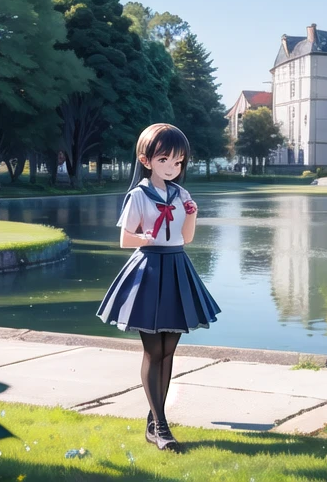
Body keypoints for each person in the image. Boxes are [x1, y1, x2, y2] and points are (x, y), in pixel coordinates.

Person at [96, 123, 221, 452]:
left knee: (169, 351)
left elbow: (187, 238)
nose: (172, 168)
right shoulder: (138, 195)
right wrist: (145, 237)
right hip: (149, 269)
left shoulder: (182, 195)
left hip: (178, 267)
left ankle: (154, 421)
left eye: (178, 162)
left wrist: (192, 214)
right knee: (153, 351)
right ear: (146, 159)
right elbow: (125, 239)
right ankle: (160, 426)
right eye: (165, 160)